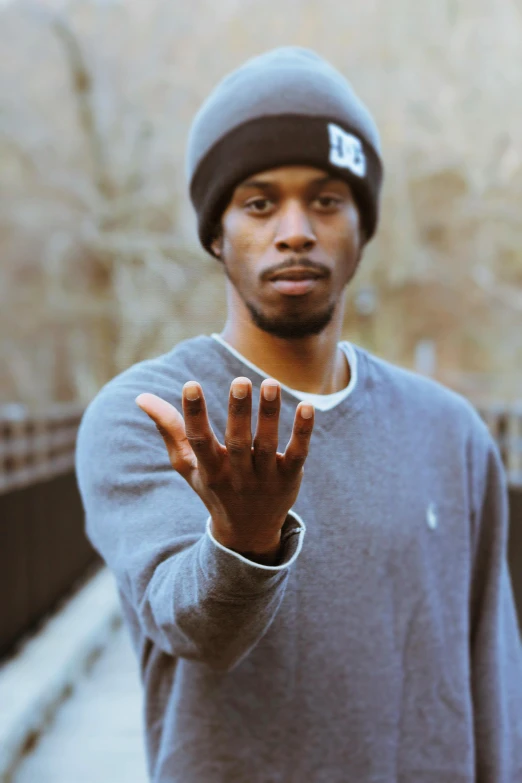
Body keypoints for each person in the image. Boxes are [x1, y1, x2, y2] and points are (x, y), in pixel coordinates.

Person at [75, 47, 522, 782]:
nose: (295, 230)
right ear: (216, 232)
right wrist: (242, 541)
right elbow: (192, 626)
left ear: (362, 229)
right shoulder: (145, 415)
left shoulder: (452, 434)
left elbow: (492, 677)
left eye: (325, 200)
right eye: (259, 202)